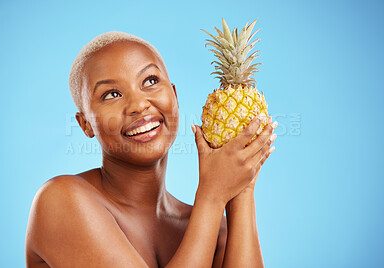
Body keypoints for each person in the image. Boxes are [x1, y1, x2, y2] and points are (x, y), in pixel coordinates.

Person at [25, 31, 277, 268]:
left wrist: (243, 187)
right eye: (111, 94)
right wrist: (211, 196)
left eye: (150, 80)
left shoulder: (214, 229)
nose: (138, 105)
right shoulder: (60, 202)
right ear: (85, 124)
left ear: (174, 97)